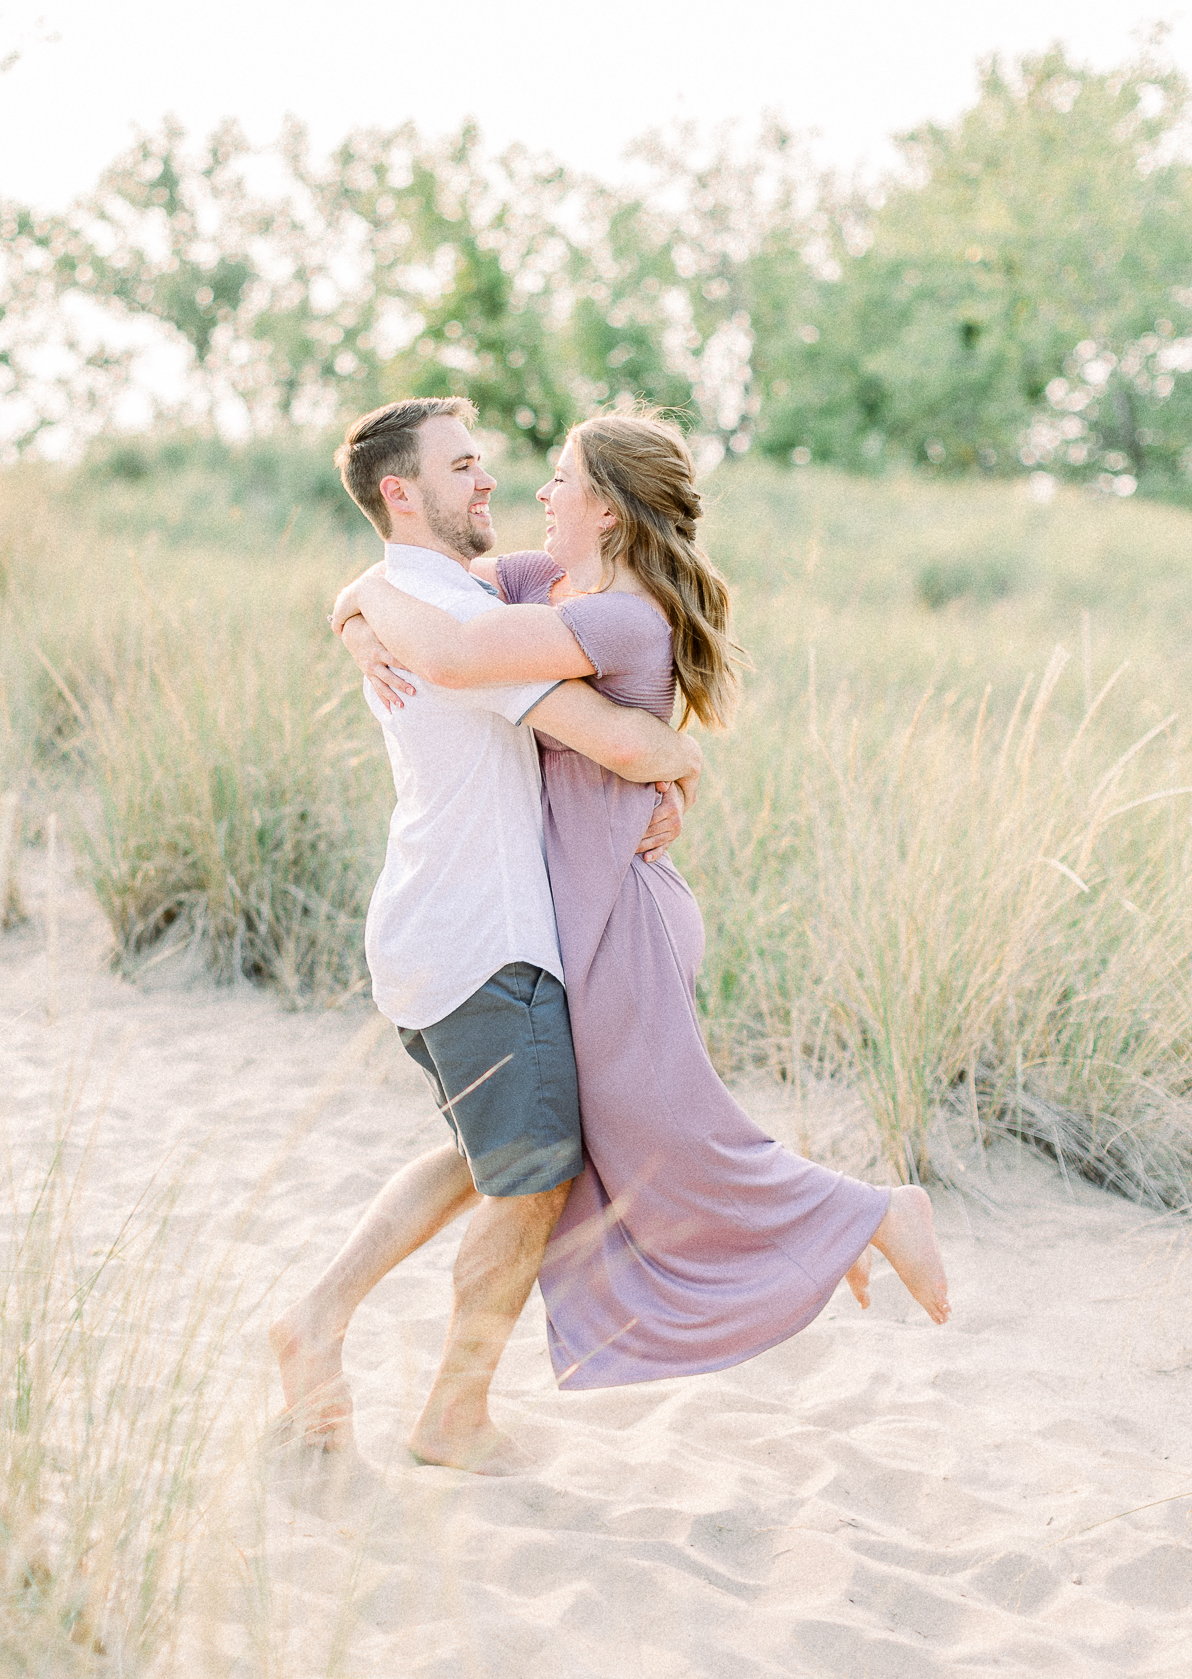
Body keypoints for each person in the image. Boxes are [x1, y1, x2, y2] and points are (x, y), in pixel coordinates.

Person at [331, 409, 950, 1398]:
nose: (537, 490)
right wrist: (357, 610)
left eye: (563, 478)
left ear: (608, 510)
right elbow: (438, 601)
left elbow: (452, 651)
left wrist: (365, 592)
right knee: (585, 1141)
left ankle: (870, 1210)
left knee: (667, 1128)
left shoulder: (619, 617)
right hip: (570, 911)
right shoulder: (547, 583)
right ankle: (829, 1229)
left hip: (618, 909)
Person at [269, 397, 703, 1475]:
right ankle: (446, 1409)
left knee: (491, 1155)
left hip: (451, 927)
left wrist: (354, 606)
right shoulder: (456, 629)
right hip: (479, 940)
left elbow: (369, 590)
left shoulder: (438, 596)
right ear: (400, 493)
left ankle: (317, 1321)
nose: (489, 482)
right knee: (534, 1173)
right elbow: (616, 737)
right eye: (462, 467)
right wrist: (683, 763)